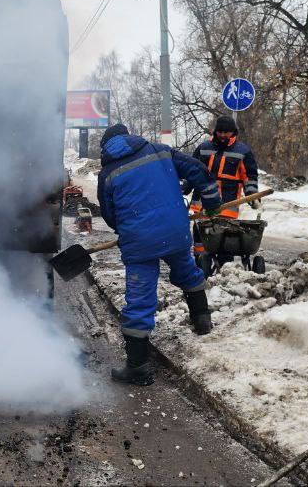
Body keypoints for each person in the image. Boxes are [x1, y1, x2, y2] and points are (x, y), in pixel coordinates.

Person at [97, 124, 223, 387]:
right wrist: (212, 203)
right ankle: (202, 320)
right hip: (175, 232)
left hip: (139, 243)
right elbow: (198, 171)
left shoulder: (107, 173)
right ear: (129, 136)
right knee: (188, 272)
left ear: (106, 146)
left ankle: (138, 367)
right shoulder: (160, 151)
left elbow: (109, 215)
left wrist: (126, 229)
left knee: (140, 299)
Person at [189, 115, 260, 269]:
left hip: (227, 204)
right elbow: (191, 171)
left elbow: (249, 176)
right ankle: (199, 263)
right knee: (200, 235)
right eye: (220, 131)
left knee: (224, 239)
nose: (222, 135)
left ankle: (225, 269)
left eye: (226, 132)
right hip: (202, 202)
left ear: (233, 132)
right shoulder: (203, 148)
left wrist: (251, 195)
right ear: (215, 131)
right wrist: (186, 186)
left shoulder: (243, 151)